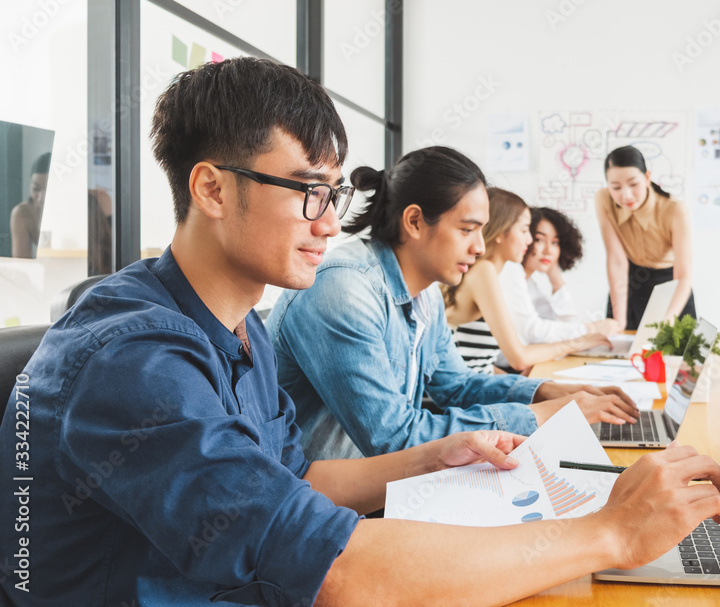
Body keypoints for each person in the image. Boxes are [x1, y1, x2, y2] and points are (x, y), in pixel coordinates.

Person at [0, 58, 720, 606]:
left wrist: (433, 456)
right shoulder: (133, 361)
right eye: (307, 192)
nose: (330, 220)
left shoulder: (236, 325)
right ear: (212, 189)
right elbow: (341, 571)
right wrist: (610, 532)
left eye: (336, 191)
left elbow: (304, 477)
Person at [267, 148, 639, 461]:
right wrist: (543, 415)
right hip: (324, 512)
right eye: (467, 229)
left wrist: (544, 392)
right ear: (414, 221)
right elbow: (393, 439)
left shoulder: (425, 293)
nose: (480, 247)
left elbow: (456, 386)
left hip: (383, 492)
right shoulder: (345, 289)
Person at [445, 188, 612, 374]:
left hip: (476, 383)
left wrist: (516, 382)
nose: (529, 239)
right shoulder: (485, 270)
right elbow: (519, 358)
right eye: (525, 230)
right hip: (463, 393)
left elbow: (479, 363)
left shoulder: (490, 270)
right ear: (500, 232)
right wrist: (576, 343)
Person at [596, 145, 695, 330]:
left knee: (678, 354)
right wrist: (620, 321)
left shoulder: (674, 209)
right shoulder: (603, 199)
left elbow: (683, 276)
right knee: (620, 350)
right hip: (629, 282)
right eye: (616, 187)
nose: (626, 195)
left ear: (647, 177)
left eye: (634, 184)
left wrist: (667, 320)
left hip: (670, 284)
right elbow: (617, 261)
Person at [499, 206, 618, 345]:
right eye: (539, 239)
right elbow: (535, 332)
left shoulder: (529, 283)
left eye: (555, 242)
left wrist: (555, 277)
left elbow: (564, 324)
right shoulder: (509, 273)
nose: (549, 250)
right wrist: (591, 329)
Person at [9, 152, 49, 258]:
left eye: (49, 189)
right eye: (36, 189)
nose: (41, 198)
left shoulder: (82, 209)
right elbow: (21, 265)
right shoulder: (23, 213)